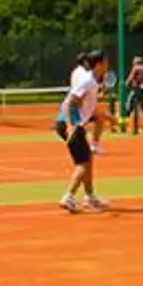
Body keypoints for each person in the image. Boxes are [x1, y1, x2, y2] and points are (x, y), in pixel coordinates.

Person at [57, 51, 110, 212]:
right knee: (83, 164)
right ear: (99, 64)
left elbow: (90, 108)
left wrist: (110, 119)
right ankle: (68, 197)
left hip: (72, 123)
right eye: (106, 62)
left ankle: (90, 197)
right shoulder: (87, 81)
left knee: (88, 160)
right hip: (71, 124)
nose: (108, 65)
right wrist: (72, 124)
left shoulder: (92, 82)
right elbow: (73, 101)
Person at [122, 56, 143, 134]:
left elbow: (131, 77)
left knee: (129, 104)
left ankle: (125, 121)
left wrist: (126, 84)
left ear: (136, 62)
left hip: (137, 89)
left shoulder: (136, 68)